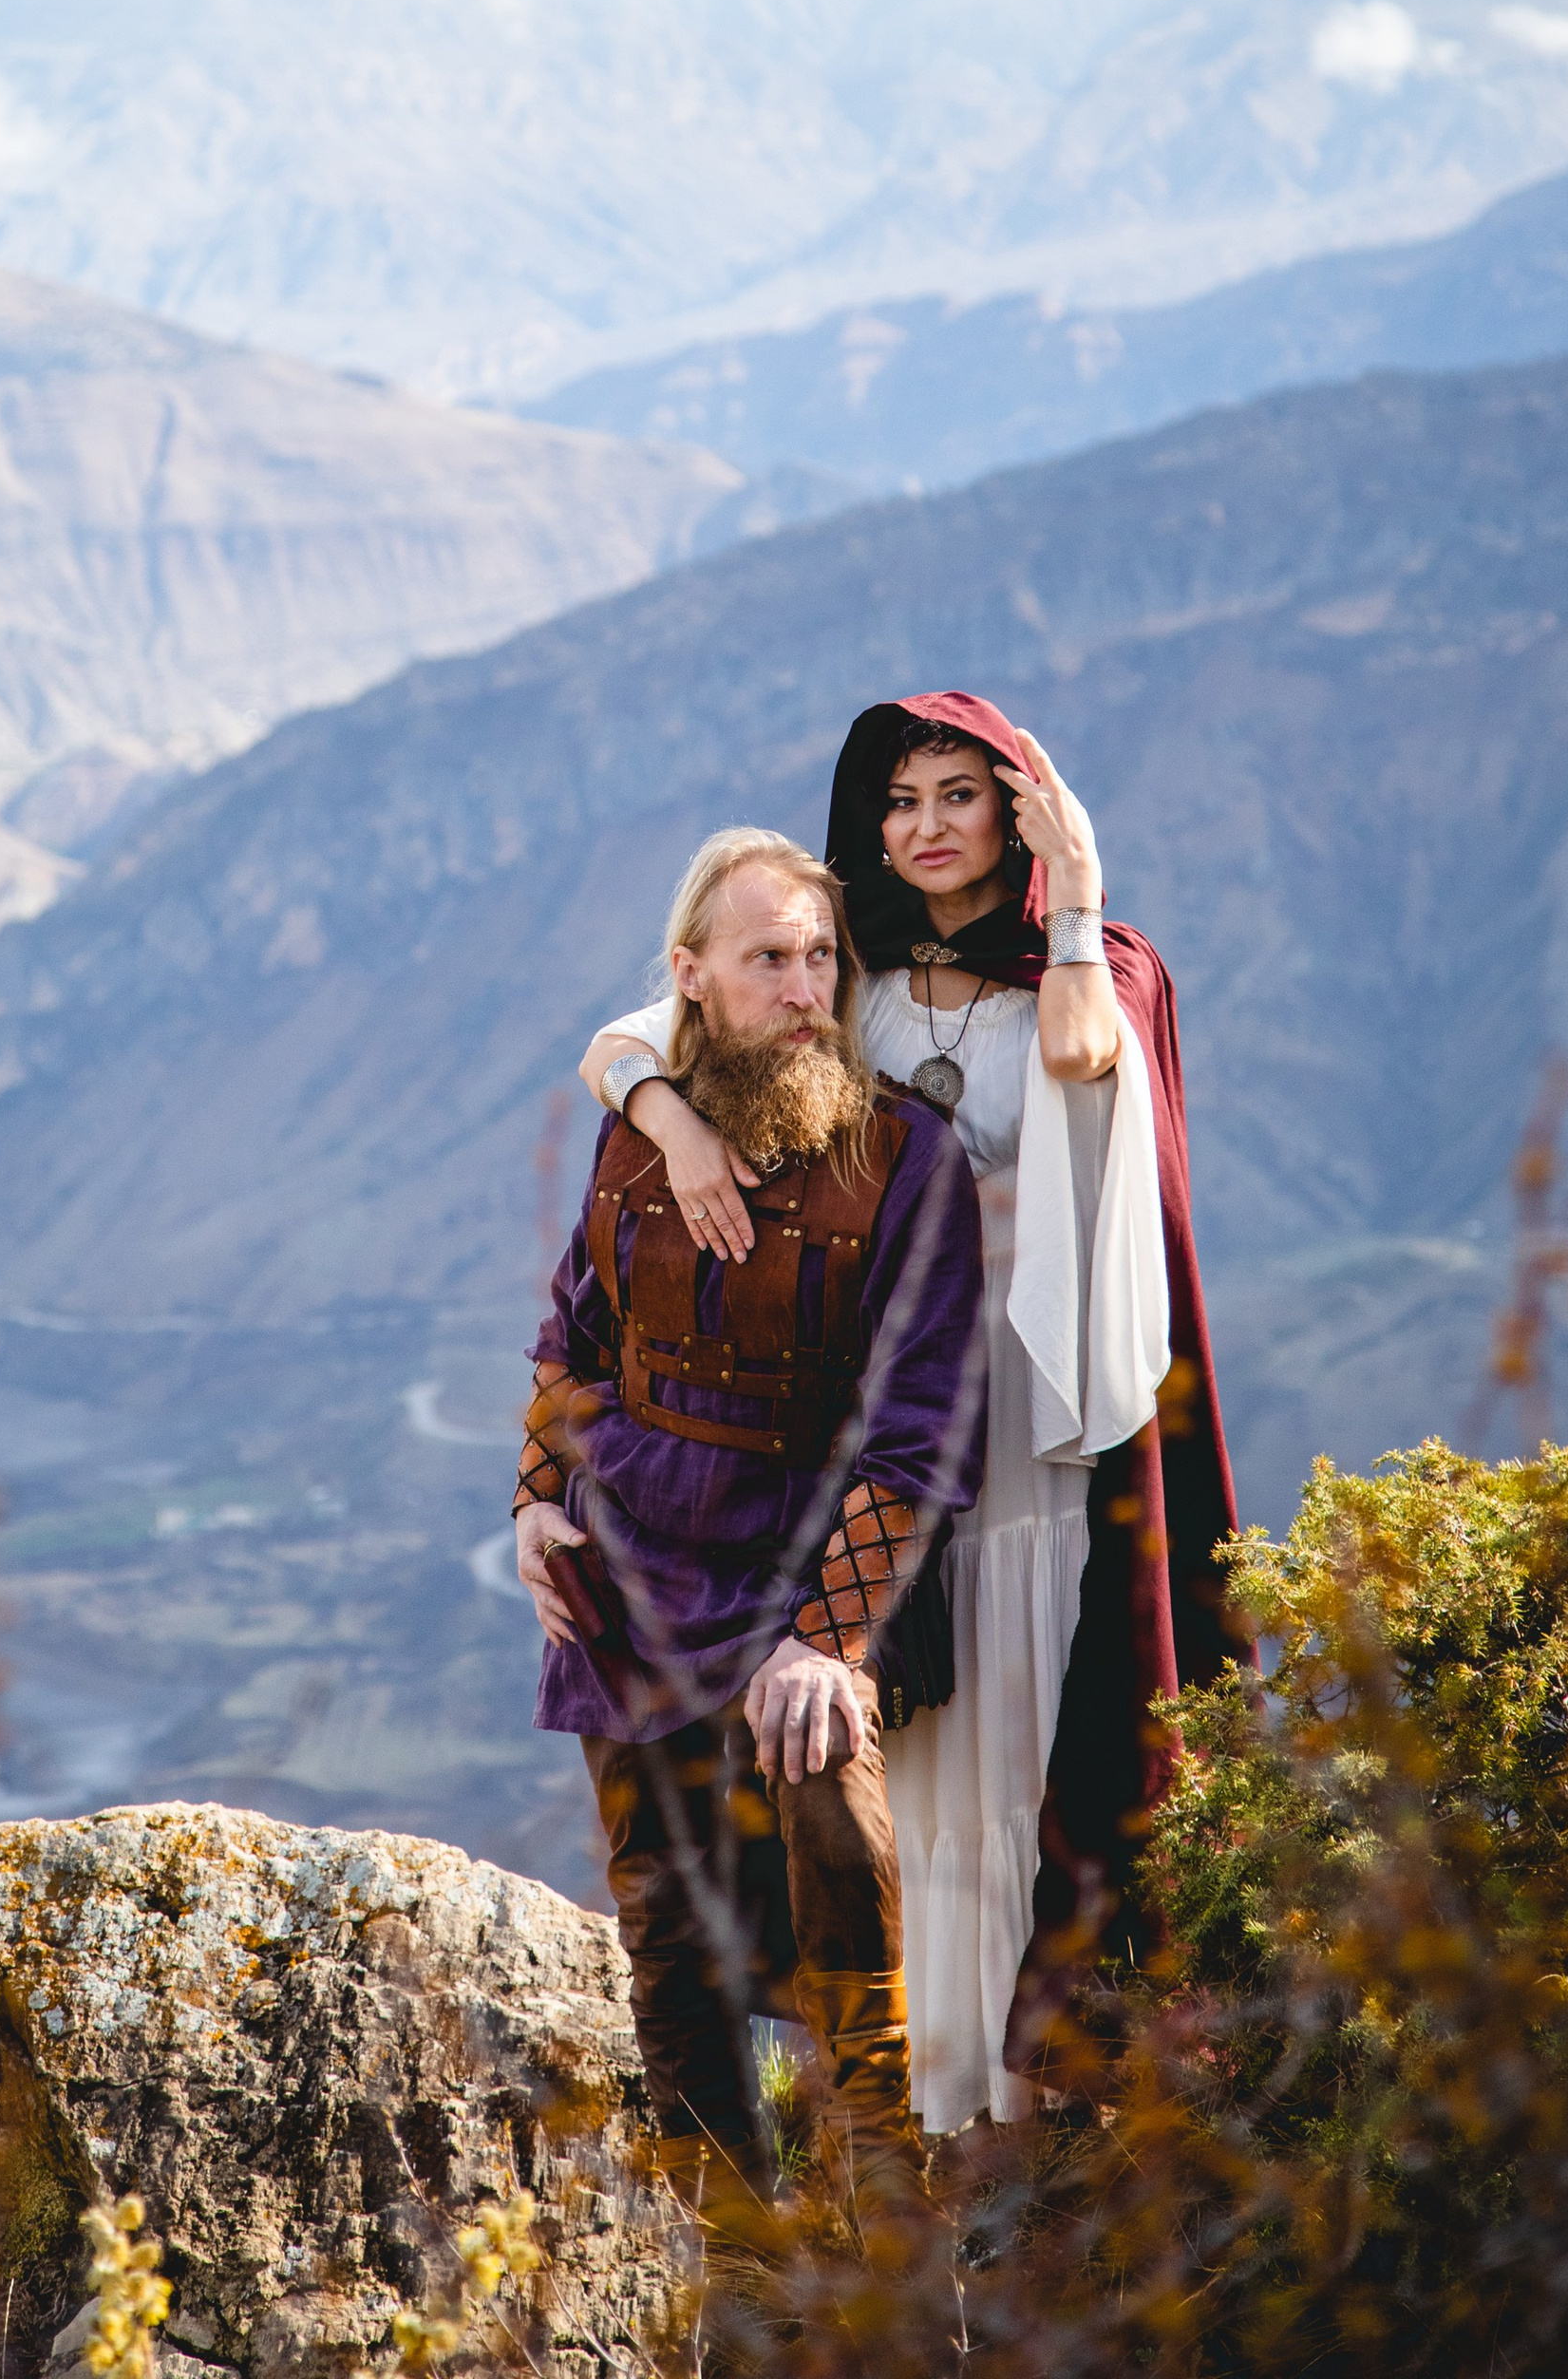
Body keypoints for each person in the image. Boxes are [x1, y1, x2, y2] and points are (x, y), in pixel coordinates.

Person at [579, 694, 1240, 2131]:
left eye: (960, 794)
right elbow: (634, 1029)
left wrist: (1081, 893)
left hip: (1035, 1409)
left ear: (1016, 810)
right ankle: (920, 2096)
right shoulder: (852, 968)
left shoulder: (1097, 965)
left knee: (1028, 1718)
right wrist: (670, 1117)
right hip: (886, 1407)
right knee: (904, 1748)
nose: (927, 826)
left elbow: (1078, 1054)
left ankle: (1029, 2082)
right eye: (900, 802)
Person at [515, 825, 985, 2220]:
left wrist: (826, 1642)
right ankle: (722, 2232)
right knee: (662, 1903)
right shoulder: (633, 1136)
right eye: (769, 956)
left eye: (822, 957)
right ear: (693, 977)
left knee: (836, 1846)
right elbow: (572, 1338)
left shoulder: (907, 1156)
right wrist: (540, 1505)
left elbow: (921, 1426)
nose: (803, 985)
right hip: (634, 1556)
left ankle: (889, 2206)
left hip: (808, 1557)